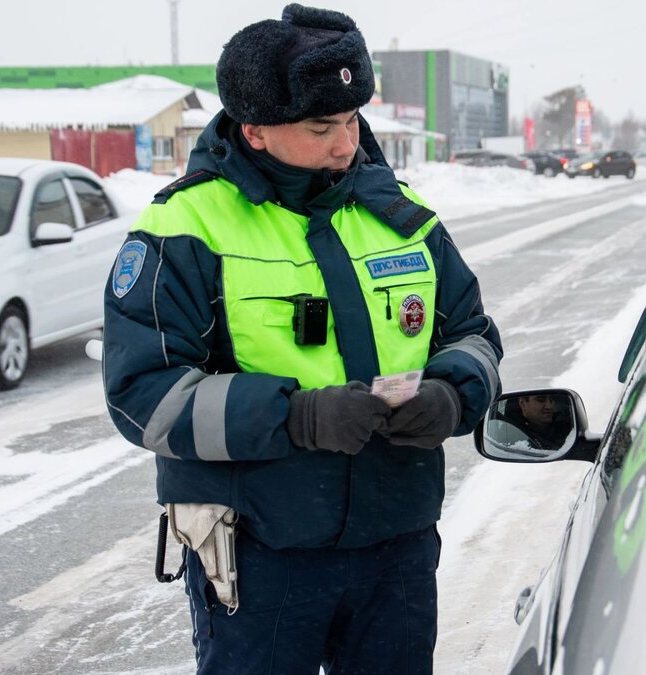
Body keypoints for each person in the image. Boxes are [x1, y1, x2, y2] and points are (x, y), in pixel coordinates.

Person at [101, 5, 502, 674]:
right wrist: (295, 417)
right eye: (322, 127)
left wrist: (453, 394)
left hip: (395, 544)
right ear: (254, 130)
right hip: (261, 555)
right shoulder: (184, 226)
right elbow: (144, 396)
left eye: (351, 121)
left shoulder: (400, 216)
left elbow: (473, 336)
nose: (347, 145)